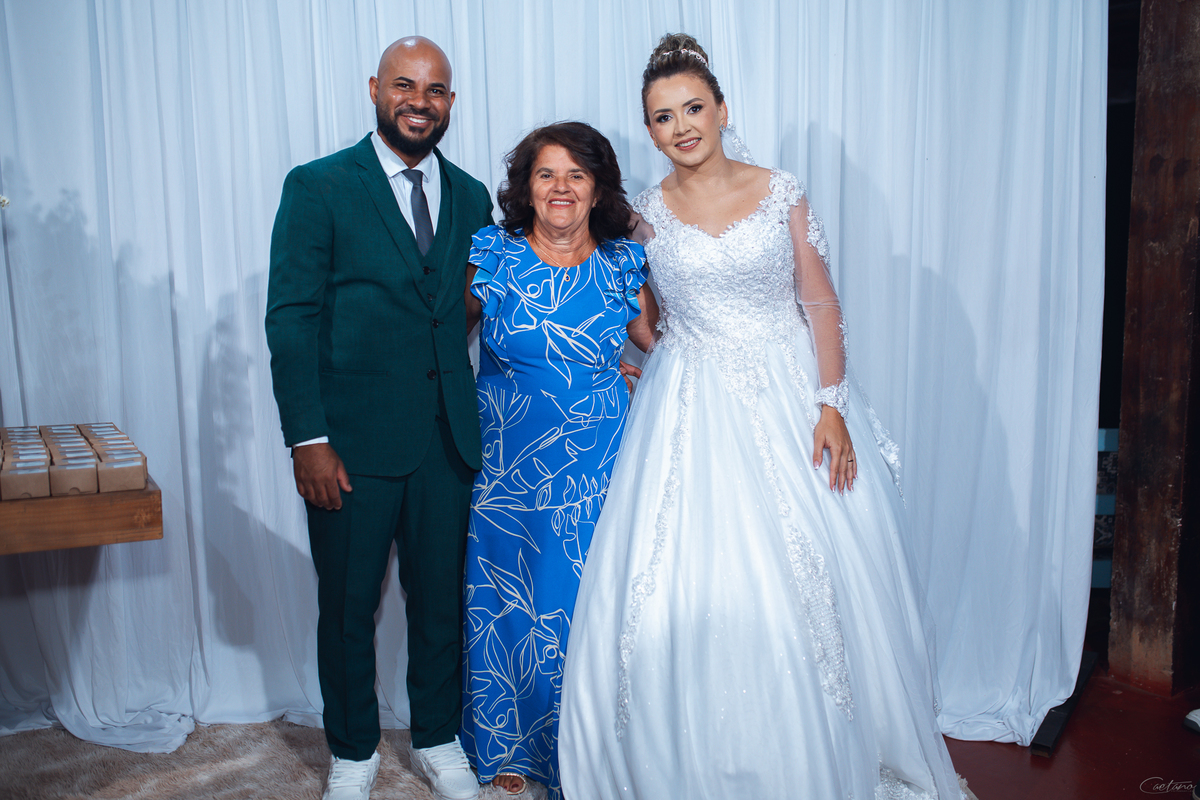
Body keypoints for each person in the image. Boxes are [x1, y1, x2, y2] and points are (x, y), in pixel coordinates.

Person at [559, 34, 967, 799]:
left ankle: (829, 748)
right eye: (662, 117)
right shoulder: (645, 216)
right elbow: (647, 319)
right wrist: (623, 353)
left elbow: (821, 303)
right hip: (689, 400)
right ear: (648, 130)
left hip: (788, 389)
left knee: (815, 569)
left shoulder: (781, 191)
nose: (680, 126)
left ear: (721, 109)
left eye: (692, 108)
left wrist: (830, 406)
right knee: (688, 574)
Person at [265, 36, 492, 800]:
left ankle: (437, 737)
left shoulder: (472, 196)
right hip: (350, 443)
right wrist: (308, 438)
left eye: (435, 90)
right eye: (404, 85)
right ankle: (353, 750)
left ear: (450, 101)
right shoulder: (319, 185)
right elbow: (291, 317)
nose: (419, 102)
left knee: (442, 602)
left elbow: (464, 308)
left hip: (446, 439)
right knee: (347, 605)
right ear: (375, 88)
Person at [458, 122, 658, 799]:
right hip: (506, 462)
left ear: (598, 187)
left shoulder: (624, 264)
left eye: (577, 174)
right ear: (526, 187)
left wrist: (640, 379)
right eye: (547, 174)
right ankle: (509, 747)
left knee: (580, 604)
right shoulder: (494, 256)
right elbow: (441, 347)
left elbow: (666, 345)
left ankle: (583, 748)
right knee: (505, 600)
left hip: (597, 462)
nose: (561, 187)